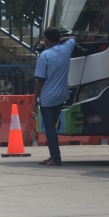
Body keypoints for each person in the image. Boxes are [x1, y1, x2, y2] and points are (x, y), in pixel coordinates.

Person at [33, 27, 76, 166]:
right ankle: (53, 156)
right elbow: (74, 38)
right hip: (61, 96)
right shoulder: (66, 49)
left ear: (46, 39)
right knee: (53, 127)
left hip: (47, 98)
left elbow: (40, 80)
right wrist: (61, 40)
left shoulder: (44, 56)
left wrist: (35, 99)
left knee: (50, 128)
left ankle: (55, 158)